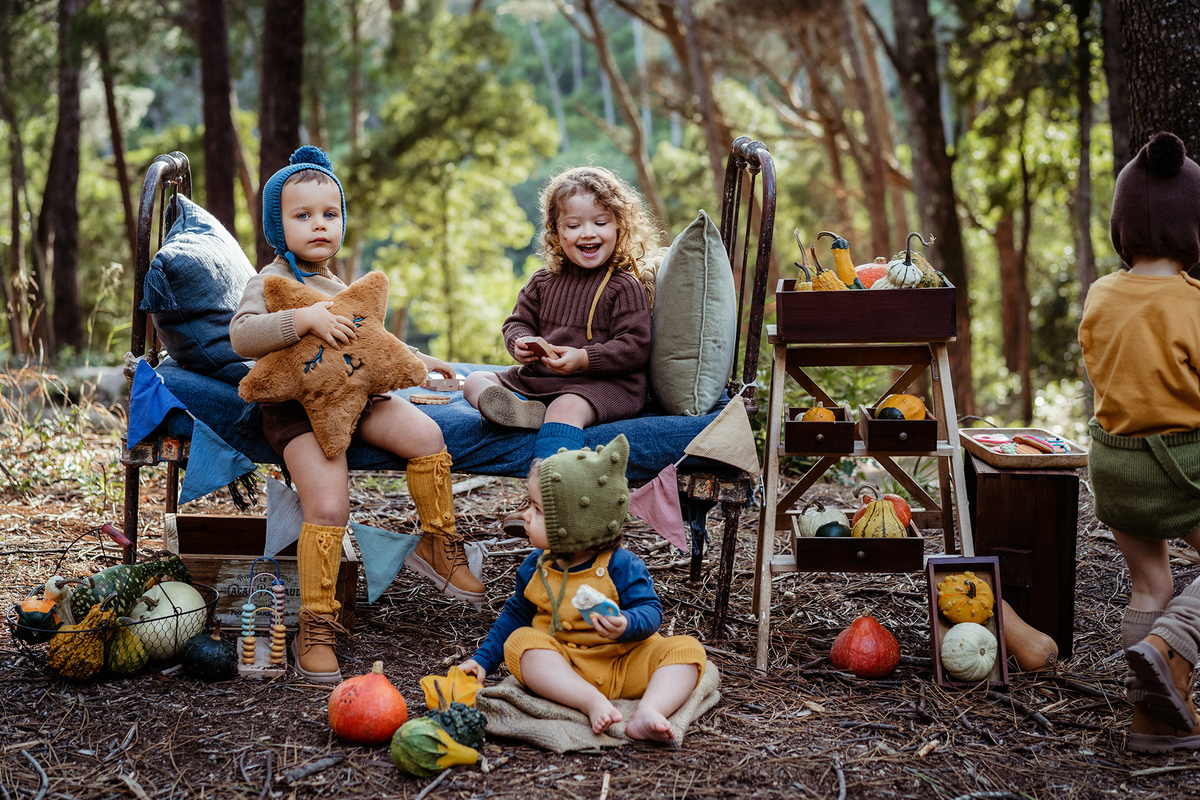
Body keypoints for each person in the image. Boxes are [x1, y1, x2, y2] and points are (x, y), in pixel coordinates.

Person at [229, 146, 484, 683]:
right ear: (278, 225)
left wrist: (418, 362)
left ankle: (438, 542)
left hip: (355, 396)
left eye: (330, 214)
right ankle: (315, 623)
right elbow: (241, 336)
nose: (319, 225)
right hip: (294, 409)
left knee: (426, 434)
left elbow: (369, 343)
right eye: (302, 215)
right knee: (329, 502)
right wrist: (301, 318)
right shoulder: (270, 280)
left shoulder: (339, 283)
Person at [457, 435, 706, 743]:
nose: (525, 516)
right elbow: (514, 616)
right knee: (520, 643)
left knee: (687, 650)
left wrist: (627, 624)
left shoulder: (621, 565)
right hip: (565, 667)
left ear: (571, 525)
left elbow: (651, 611)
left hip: (623, 662)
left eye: (536, 509)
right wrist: (482, 660)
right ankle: (588, 700)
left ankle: (649, 711)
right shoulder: (536, 567)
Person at [1079, 130, 1200, 753]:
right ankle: (1169, 645)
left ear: (1121, 224)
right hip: (1180, 468)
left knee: (1151, 584)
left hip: (1115, 469)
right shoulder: (1193, 306)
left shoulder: (1101, 294)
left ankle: (1152, 722)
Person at [462, 166, 659, 464]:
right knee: (474, 380)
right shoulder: (543, 281)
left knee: (565, 407)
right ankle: (521, 414)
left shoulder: (622, 286)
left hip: (603, 386)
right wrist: (520, 343)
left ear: (619, 225)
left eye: (601, 222)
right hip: (542, 379)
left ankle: (544, 485)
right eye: (573, 225)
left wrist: (583, 358)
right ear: (556, 231)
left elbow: (635, 347)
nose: (588, 233)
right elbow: (517, 323)